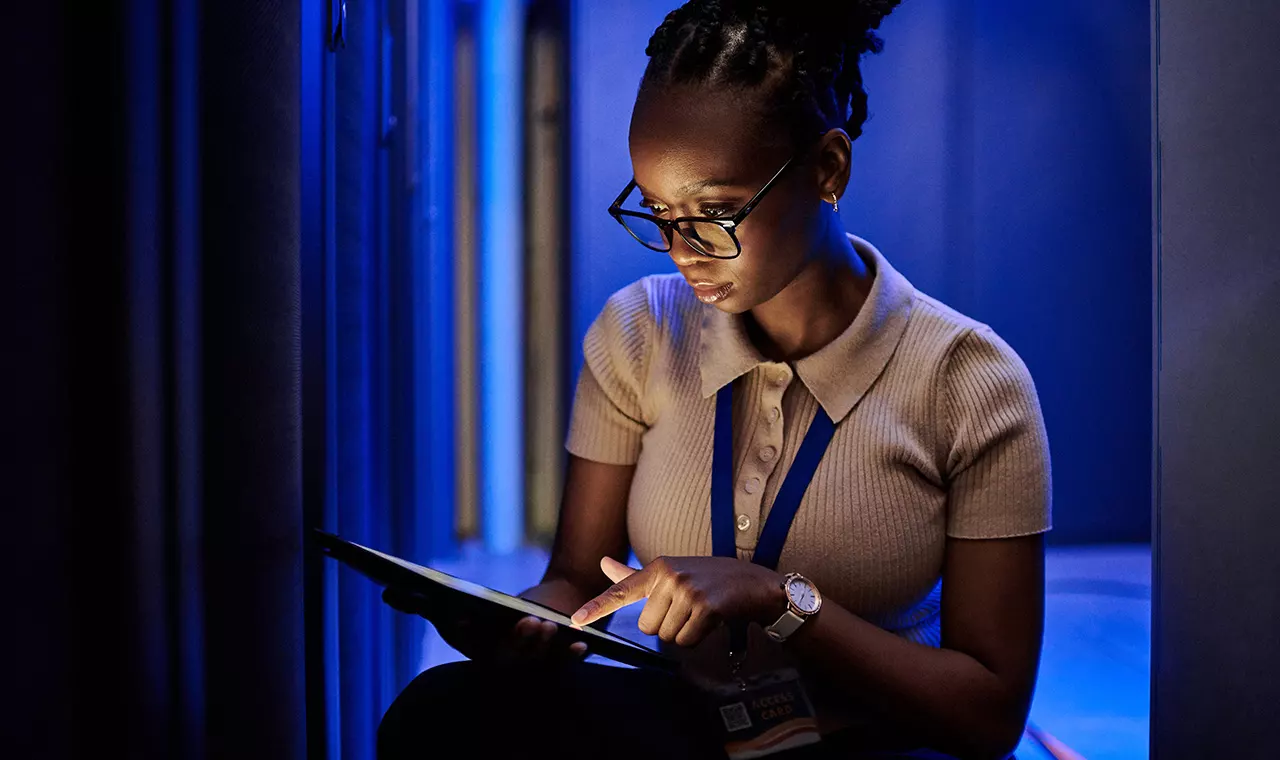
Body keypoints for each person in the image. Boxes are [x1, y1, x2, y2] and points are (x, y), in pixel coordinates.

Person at [379, 1, 1050, 758]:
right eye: (658, 210)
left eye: (716, 211)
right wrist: (518, 619)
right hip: (693, 719)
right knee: (440, 711)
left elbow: (989, 715)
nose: (680, 250)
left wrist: (780, 601)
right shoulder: (638, 331)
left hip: (868, 737)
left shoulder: (971, 381)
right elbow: (574, 580)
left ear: (828, 169)